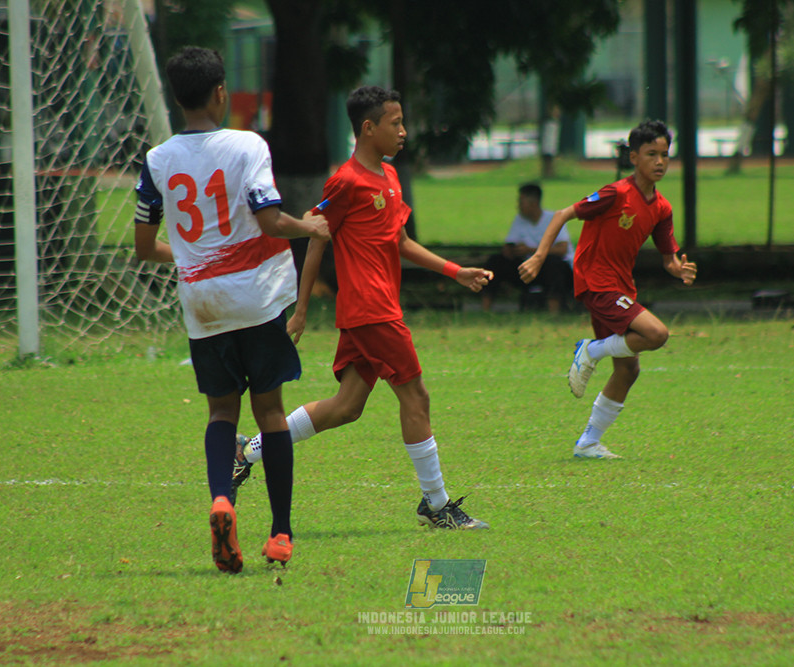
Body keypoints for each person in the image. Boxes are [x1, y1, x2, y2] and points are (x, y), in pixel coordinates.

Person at [233, 85, 492, 530]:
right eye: (396, 123)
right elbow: (318, 234)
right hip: (372, 310)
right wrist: (300, 309)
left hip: (374, 310)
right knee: (417, 395)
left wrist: (456, 271)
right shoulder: (346, 180)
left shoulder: (390, 179)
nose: (404, 131)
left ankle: (247, 451)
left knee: (347, 405)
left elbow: (401, 241)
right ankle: (436, 503)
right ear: (368, 128)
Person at [133, 46, 329, 572]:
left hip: (203, 304)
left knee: (222, 412)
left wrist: (197, 259)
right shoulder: (247, 145)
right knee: (269, 413)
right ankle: (281, 533)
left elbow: (144, 246)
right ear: (221, 92)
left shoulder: (156, 161)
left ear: (177, 97)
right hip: (256, 298)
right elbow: (269, 220)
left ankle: (222, 498)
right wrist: (309, 226)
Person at [518, 119, 697, 460]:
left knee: (628, 368)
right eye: (651, 154)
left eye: (664, 155)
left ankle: (587, 443)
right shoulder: (616, 193)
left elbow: (667, 257)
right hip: (596, 281)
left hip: (620, 285)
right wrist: (539, 256)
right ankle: (591, 350)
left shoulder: (661, 208)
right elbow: (562, 214)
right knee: (657, 334)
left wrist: (679, 269)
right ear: (633, 157)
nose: (659, 162)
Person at [481, 183, 573, 315]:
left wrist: (531, 250)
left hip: (550, 267)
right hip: (527, 267)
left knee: (553, 263)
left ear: (533, 203)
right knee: (495, 261)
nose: (518, 206)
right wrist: (510, 250)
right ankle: (486, 308)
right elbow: (510, 242)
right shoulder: (520, 220)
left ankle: (554, 311)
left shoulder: (554, 218)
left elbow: (562, 249)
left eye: (521, 202)